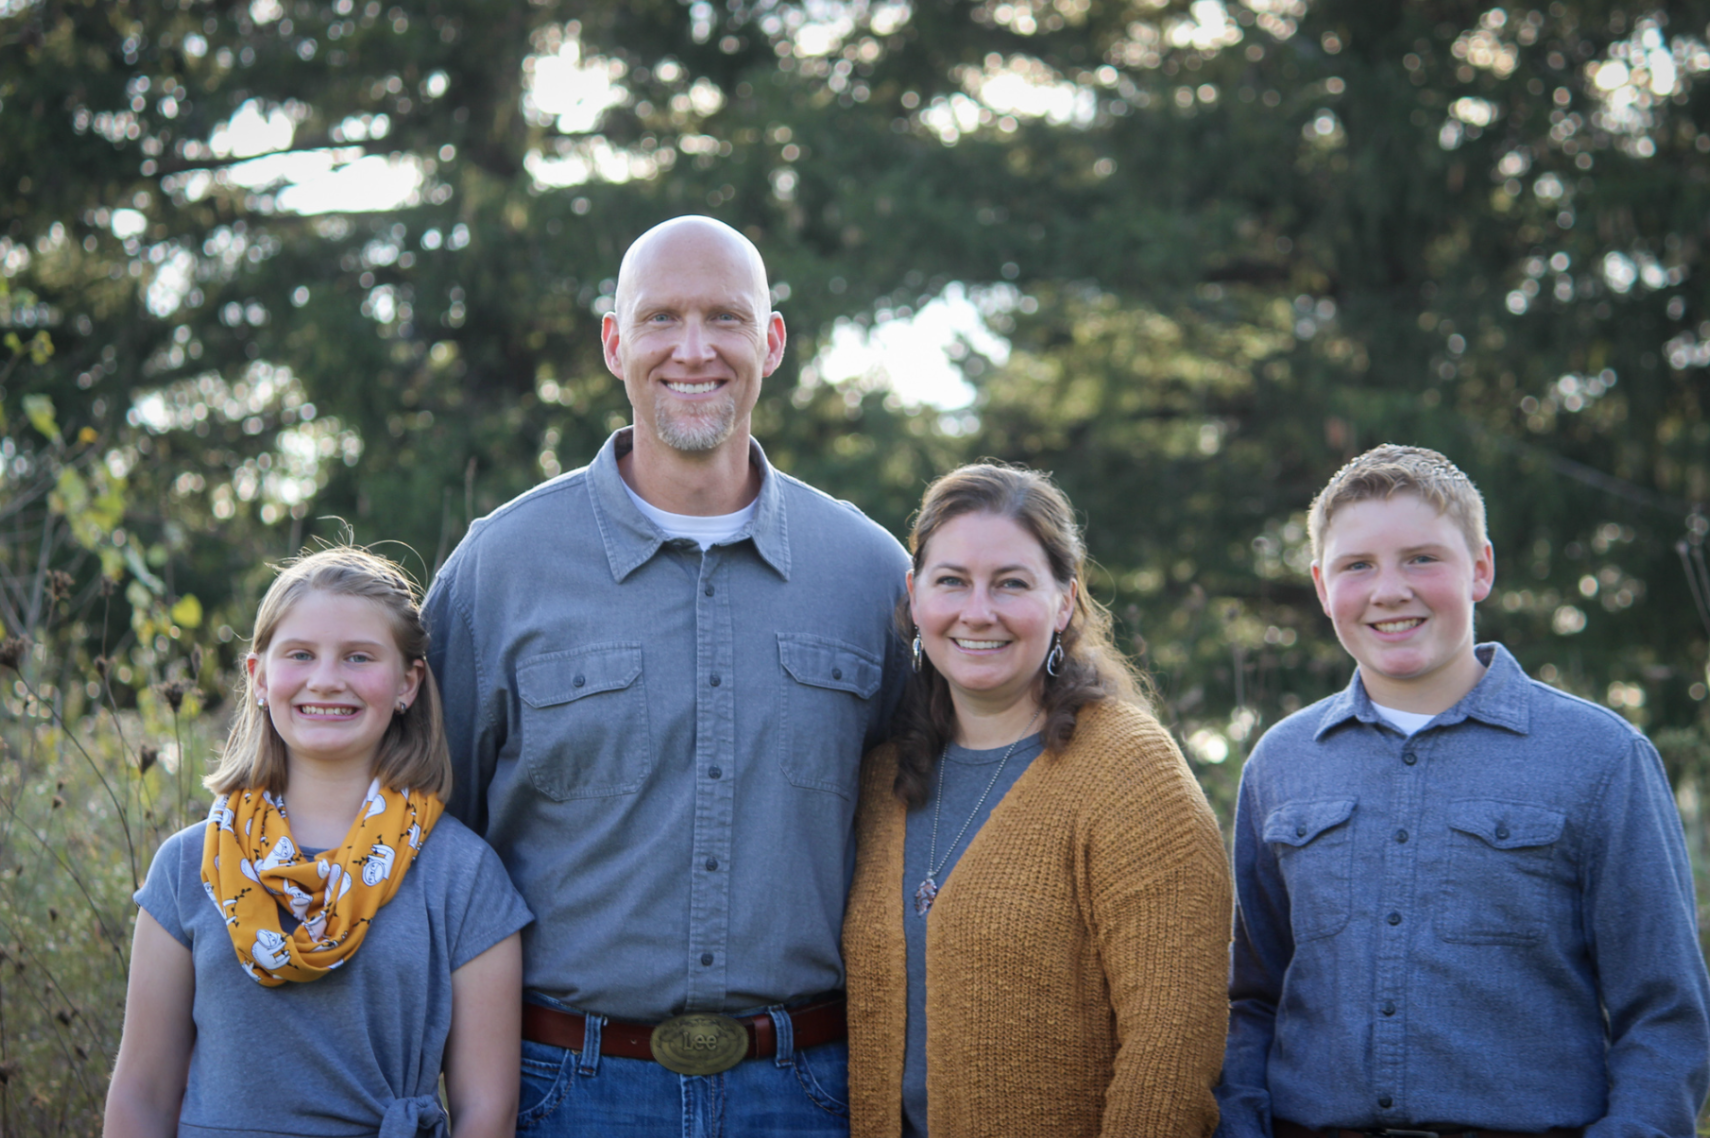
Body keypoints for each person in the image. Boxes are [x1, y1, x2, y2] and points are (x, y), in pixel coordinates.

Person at [421, 215, 911, 1135]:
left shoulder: (868, 575)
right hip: (561, 1089)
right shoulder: (502, 568)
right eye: (661, 320)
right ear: (615, 343)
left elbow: (923, 825)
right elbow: (426, 839)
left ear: (771, 342)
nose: (694, 350)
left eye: (726, 318)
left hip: (810, 1093)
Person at [1217, 444, 1710, 1136]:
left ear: (1480, 568)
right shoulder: (1281, 763)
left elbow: (1665, 1013)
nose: (1390, 589)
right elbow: (1250, 999)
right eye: (1357, 566)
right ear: (1323, 588)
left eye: (1422, 558)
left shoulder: (1601, 758)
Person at [843, 463, 1231, 1137]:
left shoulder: (1129, 772)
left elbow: (1172, 1048)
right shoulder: (882, 777)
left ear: (1064, 601)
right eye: (952, 581)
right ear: (914, 595)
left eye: (1012, 584)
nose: (978, 611)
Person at [105, 546, 531, 1138]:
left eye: (358, 657)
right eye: (300, 654)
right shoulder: (187, 866)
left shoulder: (462, 874)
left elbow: (488, 1112)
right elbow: (141, 1096)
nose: (326, 679)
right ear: (259, 676)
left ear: (408, 683)